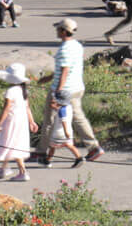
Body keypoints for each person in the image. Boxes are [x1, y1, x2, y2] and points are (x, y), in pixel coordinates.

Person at [40, 18, 104, 165]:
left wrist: (58, 91)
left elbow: (65, 71)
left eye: (58, 29)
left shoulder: (64, 49)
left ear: (63, 31)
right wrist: (50, 77)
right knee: (78, 118)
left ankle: (41, 151)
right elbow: (66, 67)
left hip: (64, 90)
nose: (56, 31)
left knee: (49, 119)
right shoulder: (76, 45)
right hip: (76, 87)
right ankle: (93, 147)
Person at [0, 62, 38, 181]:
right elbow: (27, 107)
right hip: (22, 121)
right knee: (10, 143)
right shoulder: (23, 91)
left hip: (11, 121)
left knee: (12, 144)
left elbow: (6, 109)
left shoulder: (11, 91)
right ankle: (4, 168)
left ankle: (23, 172)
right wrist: (32, 121)